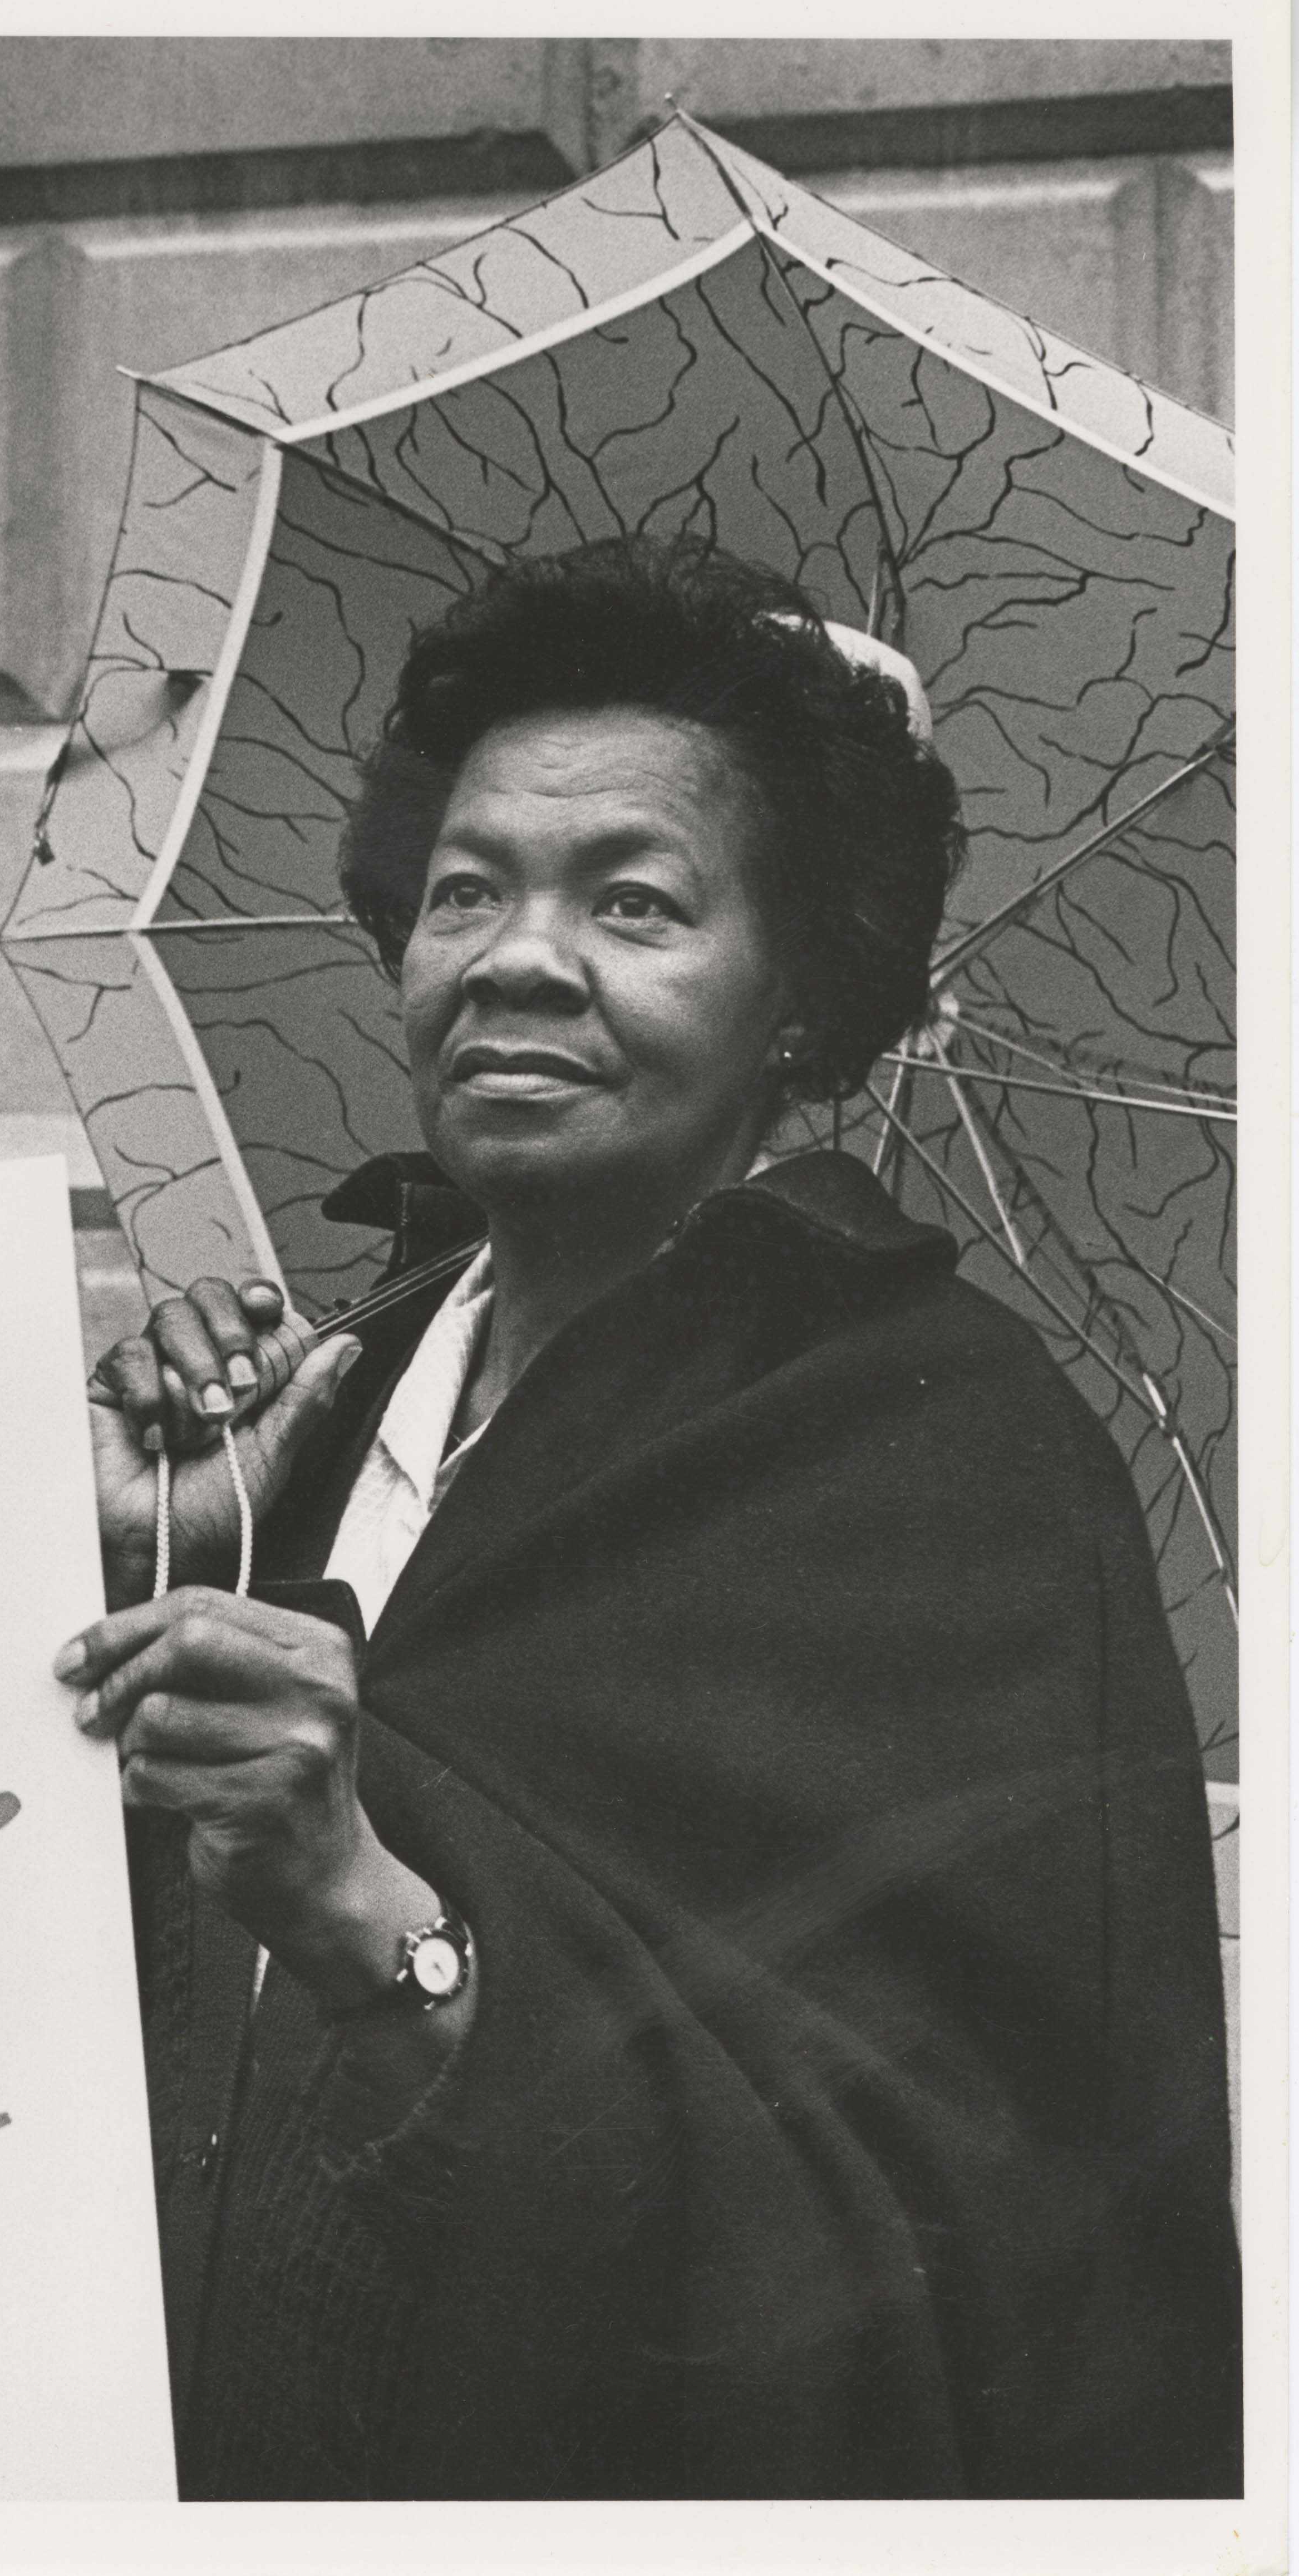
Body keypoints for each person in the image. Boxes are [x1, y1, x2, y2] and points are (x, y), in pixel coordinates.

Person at [62, 536, 1239, 2498]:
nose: (520, 958)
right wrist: (155, 1556)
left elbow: (953, 2237)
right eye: (464, 893)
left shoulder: (934, 1450)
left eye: (634, 901)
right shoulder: (324, 1398)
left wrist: (373, 1919)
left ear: (801, 997)